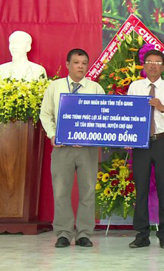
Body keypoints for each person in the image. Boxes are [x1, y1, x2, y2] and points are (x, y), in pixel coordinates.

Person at [40, 49, 105, 248]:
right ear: (67, 64)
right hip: (62, 148)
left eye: (84, 63)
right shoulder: (55, 86)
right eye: (76, 62)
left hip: (87, 149)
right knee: (61, 191)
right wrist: (53, 135)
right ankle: (63, 233)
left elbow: (103, 116)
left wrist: (92, 136)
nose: (80, 66)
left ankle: (84, 233)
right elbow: (45, 114)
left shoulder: (95, 88)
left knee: (87, 191)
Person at [127, 49, 164, 249]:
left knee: (163, 188)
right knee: (141, 188)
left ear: (163, 67)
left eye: (157, 62)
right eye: (149, 61)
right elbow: (129, 113)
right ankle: (142, 235)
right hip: (141, 143)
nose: (153, 65)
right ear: (144, 65)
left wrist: (162, 108)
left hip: (162, 142)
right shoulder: (135, 87)